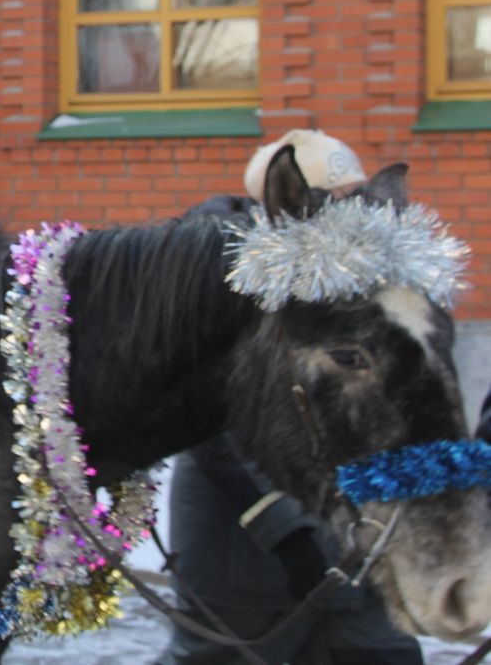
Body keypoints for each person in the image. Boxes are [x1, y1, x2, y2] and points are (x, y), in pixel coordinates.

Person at [157, 130, 423, 665]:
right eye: (340, 198)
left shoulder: (354, 282)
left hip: (349, 533)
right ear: (294, 203)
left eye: (358, 196)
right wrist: (286, 532)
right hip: (238, 538)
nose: (357, 212)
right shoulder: (215, 279)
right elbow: (217, 429)